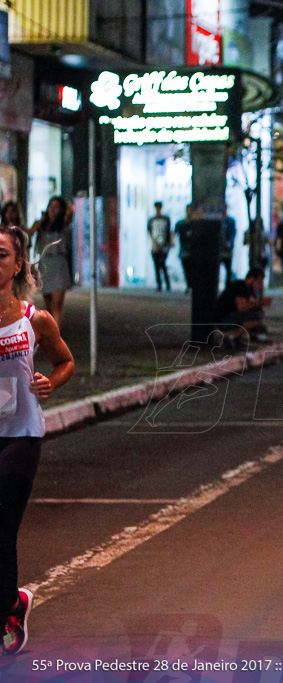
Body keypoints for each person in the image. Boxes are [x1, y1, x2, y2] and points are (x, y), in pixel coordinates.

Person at [0, 224, 74, 654]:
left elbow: (65, 362)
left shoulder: (35, 320)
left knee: (2, 527)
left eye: (1, 255)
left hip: (21, 436)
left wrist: (51, 382)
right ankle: (14, 601)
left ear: (18, 265)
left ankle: (6, 611)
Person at [27, 197, 73, 328]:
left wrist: (66, 206)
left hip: (58, 264)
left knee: (56, 305)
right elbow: (29, 234)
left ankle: (56, 336)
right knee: (48, 304)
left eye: (57, 207)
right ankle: (51, 332)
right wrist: (41, 221)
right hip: (45, 265)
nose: (53, 209)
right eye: (51, 206)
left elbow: (70, 212)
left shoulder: (63, 224)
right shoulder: (41, 224)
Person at [213, 267, 272, 348]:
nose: (259, 284)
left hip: (232, 316)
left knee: (258, 313)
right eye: (259, 281)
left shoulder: (249, 290)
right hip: (224, 318)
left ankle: (238, 337)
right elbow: (242, 307)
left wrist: (259, 303)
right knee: (256, 316)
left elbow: (252, 304)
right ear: (252, 278)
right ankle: (233, 338)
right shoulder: (240, 286)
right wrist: (260, 303)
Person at [148, 202, 173, 292]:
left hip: (164, 245)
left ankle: (167, 283)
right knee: (157, 265)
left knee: (162, 263)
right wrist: (153, 242)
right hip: (155, 245)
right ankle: (159, 284)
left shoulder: (166, 219)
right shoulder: (151, 220)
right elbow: (150, 231)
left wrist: (170, 243)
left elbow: (169, 231)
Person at [175, 205, 196, 294]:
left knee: (193, 270)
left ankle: (193, 286)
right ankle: (189, 285)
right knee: (187, 269)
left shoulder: (196, 224)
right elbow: (174, 233)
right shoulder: (181, 223)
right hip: (184, 250)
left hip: (194, 251)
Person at [220, 215, 236, 284]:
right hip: (219, 250)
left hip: (227, 250)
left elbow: (233, 233)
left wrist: (229, 242)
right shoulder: (218, 221)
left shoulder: (230, 221)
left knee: (228, 269)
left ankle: (228, 286)